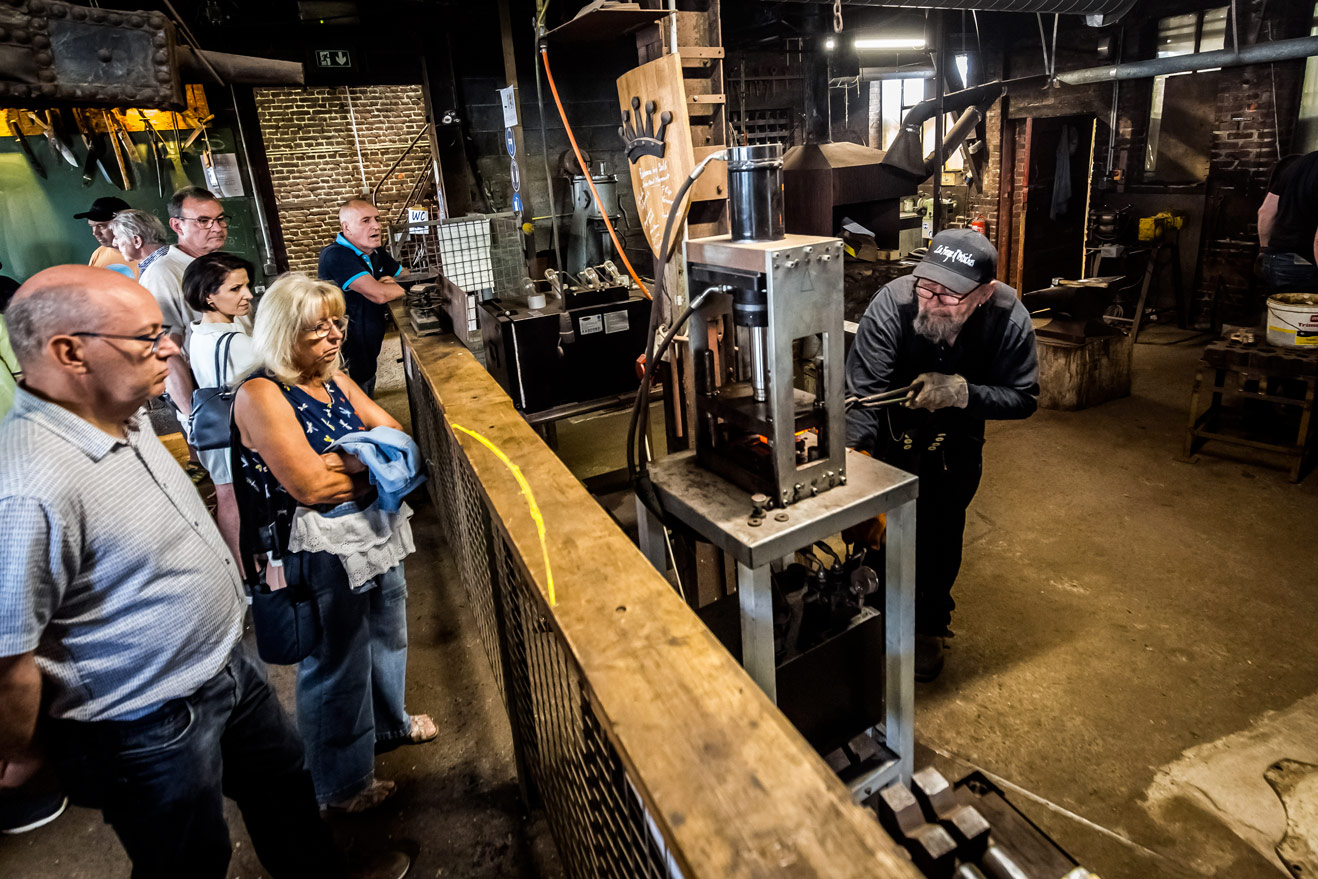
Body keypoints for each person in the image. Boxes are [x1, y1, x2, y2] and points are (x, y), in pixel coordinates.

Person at [0, 266, 410, 878]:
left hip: (226, 667)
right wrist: (24, 756)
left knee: (286, 798)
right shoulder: (27, 485)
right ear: (69, 353)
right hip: (145, 715)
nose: (171, 350)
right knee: (188, 856)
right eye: (148, 338)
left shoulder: (124, 417)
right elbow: (7, 657)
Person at [233, 272, 435, 813]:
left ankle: (388, 724)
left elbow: (400, 443)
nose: (335, 335)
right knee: (337, 658)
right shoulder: (261, 393)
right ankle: (340, 783)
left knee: (387, 633)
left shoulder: (334, 381)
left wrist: (352, 462)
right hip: (320, 545)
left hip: (373, 529)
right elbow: (310, 487)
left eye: (337, 323)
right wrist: (370, 462)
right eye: (317, 328)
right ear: (283, 332)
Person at [846, 229, 1039, 681]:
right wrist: (859, 473)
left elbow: (1025, 397)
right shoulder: (893, 305)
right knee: (878, 534)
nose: (932, 302)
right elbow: (861, 397)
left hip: (956, 441)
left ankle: (929, 624)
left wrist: (963, 394)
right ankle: (871, 610)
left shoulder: (1009, 320)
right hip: (890, 434)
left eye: (949, 296)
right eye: (926, 288)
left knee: (941, 529)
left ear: (984, 293)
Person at [140, 186, 241, 420]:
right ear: (177, 225)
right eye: (203, 221)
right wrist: (194, 417)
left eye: (220, 219)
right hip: (210, 398)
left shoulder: (224, 264)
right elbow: (165, 352)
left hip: (245, 389)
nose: (217, 228)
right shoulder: (163, 273)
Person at [185, 252, 258, 563]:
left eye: (247, 285)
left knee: (227, 495)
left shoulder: (200, 331)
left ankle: (240, 568)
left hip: (214, 429)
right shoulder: (235, 343)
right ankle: (246, 568)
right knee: (237, 501)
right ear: (208, 297)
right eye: (235, 289)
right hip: (234, 434)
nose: (248, 294)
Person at [318, 198, 407, 396]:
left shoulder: (376, 252)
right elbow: (379, 294)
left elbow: (406, 276)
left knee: (368, 385)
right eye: (366, 220)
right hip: (343, 357)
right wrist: (393, 287)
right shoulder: (336, 255)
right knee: (355, 405)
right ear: (347, 228)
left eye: (377, 219)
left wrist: (393, 283)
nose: (376, 226)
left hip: (368, 351)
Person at [1258, 150, 1318, 294]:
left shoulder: (1298, 164)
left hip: (1275, 261)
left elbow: (1265, 212)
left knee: (1278, 308)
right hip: (1305, 266)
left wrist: (1264, 250)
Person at [75, 196, 136, 278]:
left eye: (101, 226)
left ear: (125, 224)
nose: (95, 233)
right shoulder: (99, 253)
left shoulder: (145, 256)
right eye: (92, 226)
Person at [110, 209, 172, 277]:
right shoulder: (173, 257)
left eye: (117, 237)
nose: (114, 243)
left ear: (136, 241)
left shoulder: (156, 271)